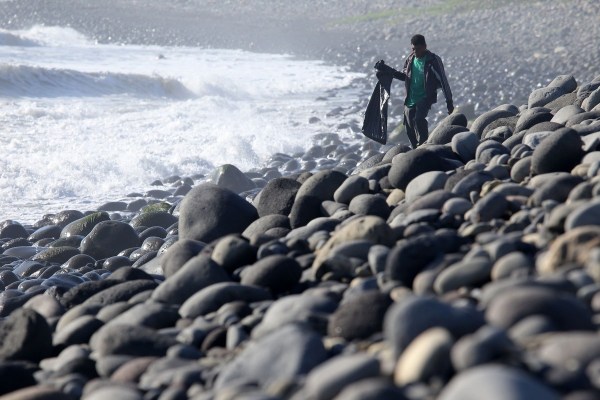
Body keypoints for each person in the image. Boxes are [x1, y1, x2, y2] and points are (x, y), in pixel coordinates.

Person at [375, 34, 454, 148]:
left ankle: (423, 146)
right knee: (408, 126)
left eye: (418, 49)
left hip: (425, 96)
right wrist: (387, 69)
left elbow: (443, 80)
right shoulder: (410, 59)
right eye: (413, 49)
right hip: (411, 97)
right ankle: (415, 148)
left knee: (419, 119)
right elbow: (404, 76)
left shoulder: (433, 60)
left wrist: (449, 102)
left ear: (425, 46)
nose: (415, 51)